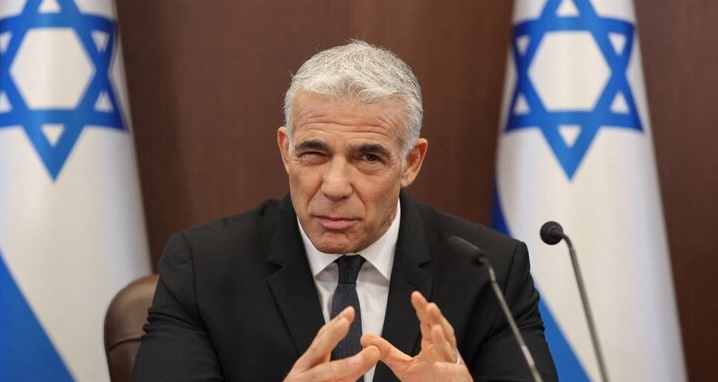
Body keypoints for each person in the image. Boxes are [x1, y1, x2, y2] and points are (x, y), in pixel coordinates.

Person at [132, 40, 557, 381]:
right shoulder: (204, 267)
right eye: (314, 153)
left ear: (410, 162)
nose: (334, 186)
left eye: (368, 157)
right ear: (286, 150)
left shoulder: (487, 272)